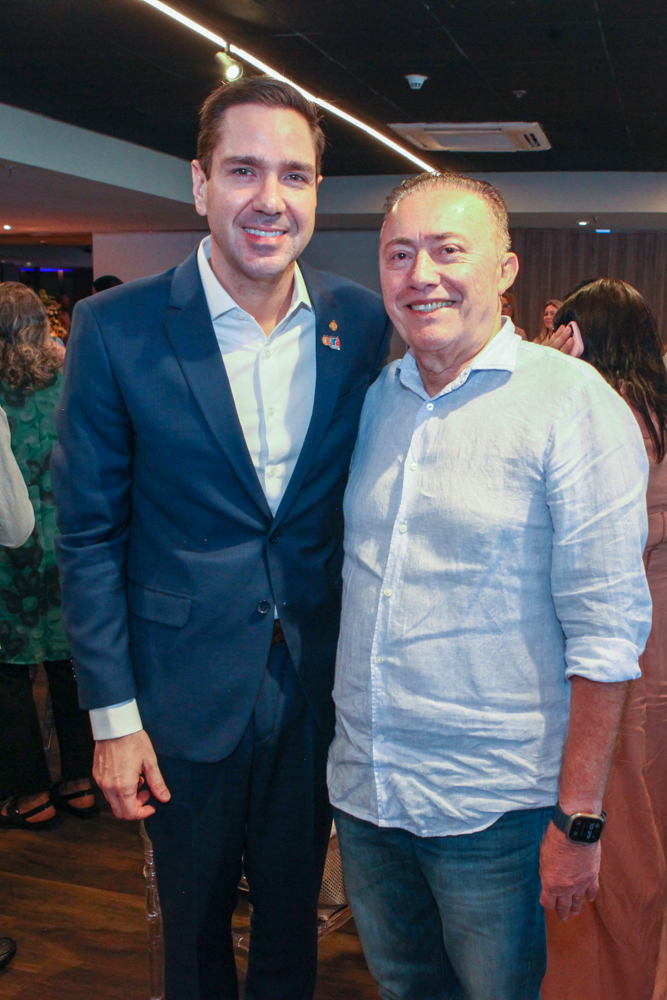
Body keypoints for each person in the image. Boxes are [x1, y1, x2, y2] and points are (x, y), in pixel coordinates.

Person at [51, 77, 391, 1000]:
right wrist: (113, 720)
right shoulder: (115, 328)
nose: (269, 198)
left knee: (293, 925)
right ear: (199, 183)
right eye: (243, 170)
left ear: (316, 192)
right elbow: (87, 537)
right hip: (180, 693)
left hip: (312, 687)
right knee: (193, 934)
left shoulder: (359, 322)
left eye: (294, 175)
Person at [327, 171, 652, 1000]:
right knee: (405, 989)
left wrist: (577, 821)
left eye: (448, 250)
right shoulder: (375, 401)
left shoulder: (570, 403)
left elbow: (607, 633)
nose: (420, 275)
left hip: (494, 810)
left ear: (505, 269)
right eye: (399, 254)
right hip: (368, 791)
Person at [537, 279, 667, 1000]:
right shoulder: (656, 408)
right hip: (655, 640)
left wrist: (544, 372)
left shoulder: (600, 415)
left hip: (614, 648)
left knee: (609, 820)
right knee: (647, 814)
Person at [0, 283, 96, 831]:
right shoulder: (67, 382)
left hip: (11, 552)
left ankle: (31, 793)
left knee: (11, 677)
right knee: (69, 666)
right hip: (68, 545)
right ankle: (80, 782)